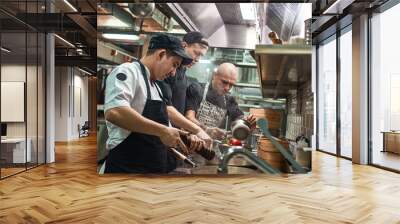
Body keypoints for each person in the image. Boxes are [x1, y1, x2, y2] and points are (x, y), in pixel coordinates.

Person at [103, 34, 207, 174]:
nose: (173, 73)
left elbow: (163, 130)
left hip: (151, 170)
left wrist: (182, 140)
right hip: (126, 169)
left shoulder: (157, 87)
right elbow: (115, 112)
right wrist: (162, 131)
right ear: (161, 54)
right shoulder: (128, 72)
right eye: (174, 65)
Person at [185, 63, 256, 140]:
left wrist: (246, 123)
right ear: (214, 75)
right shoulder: (196, 89)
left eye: (231, 85)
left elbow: (238, 118)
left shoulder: (229, 100)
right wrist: (206, 130)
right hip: (190, 140)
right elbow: (189, 118)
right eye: (224, 82)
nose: (227, 88)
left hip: (209, 144)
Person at [157, 31, 209, 115]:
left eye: (200, 56)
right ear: (184, 45)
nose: (197, 59)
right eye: (196, 53)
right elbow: (165, 107)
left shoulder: (183, 72)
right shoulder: (168, 71)